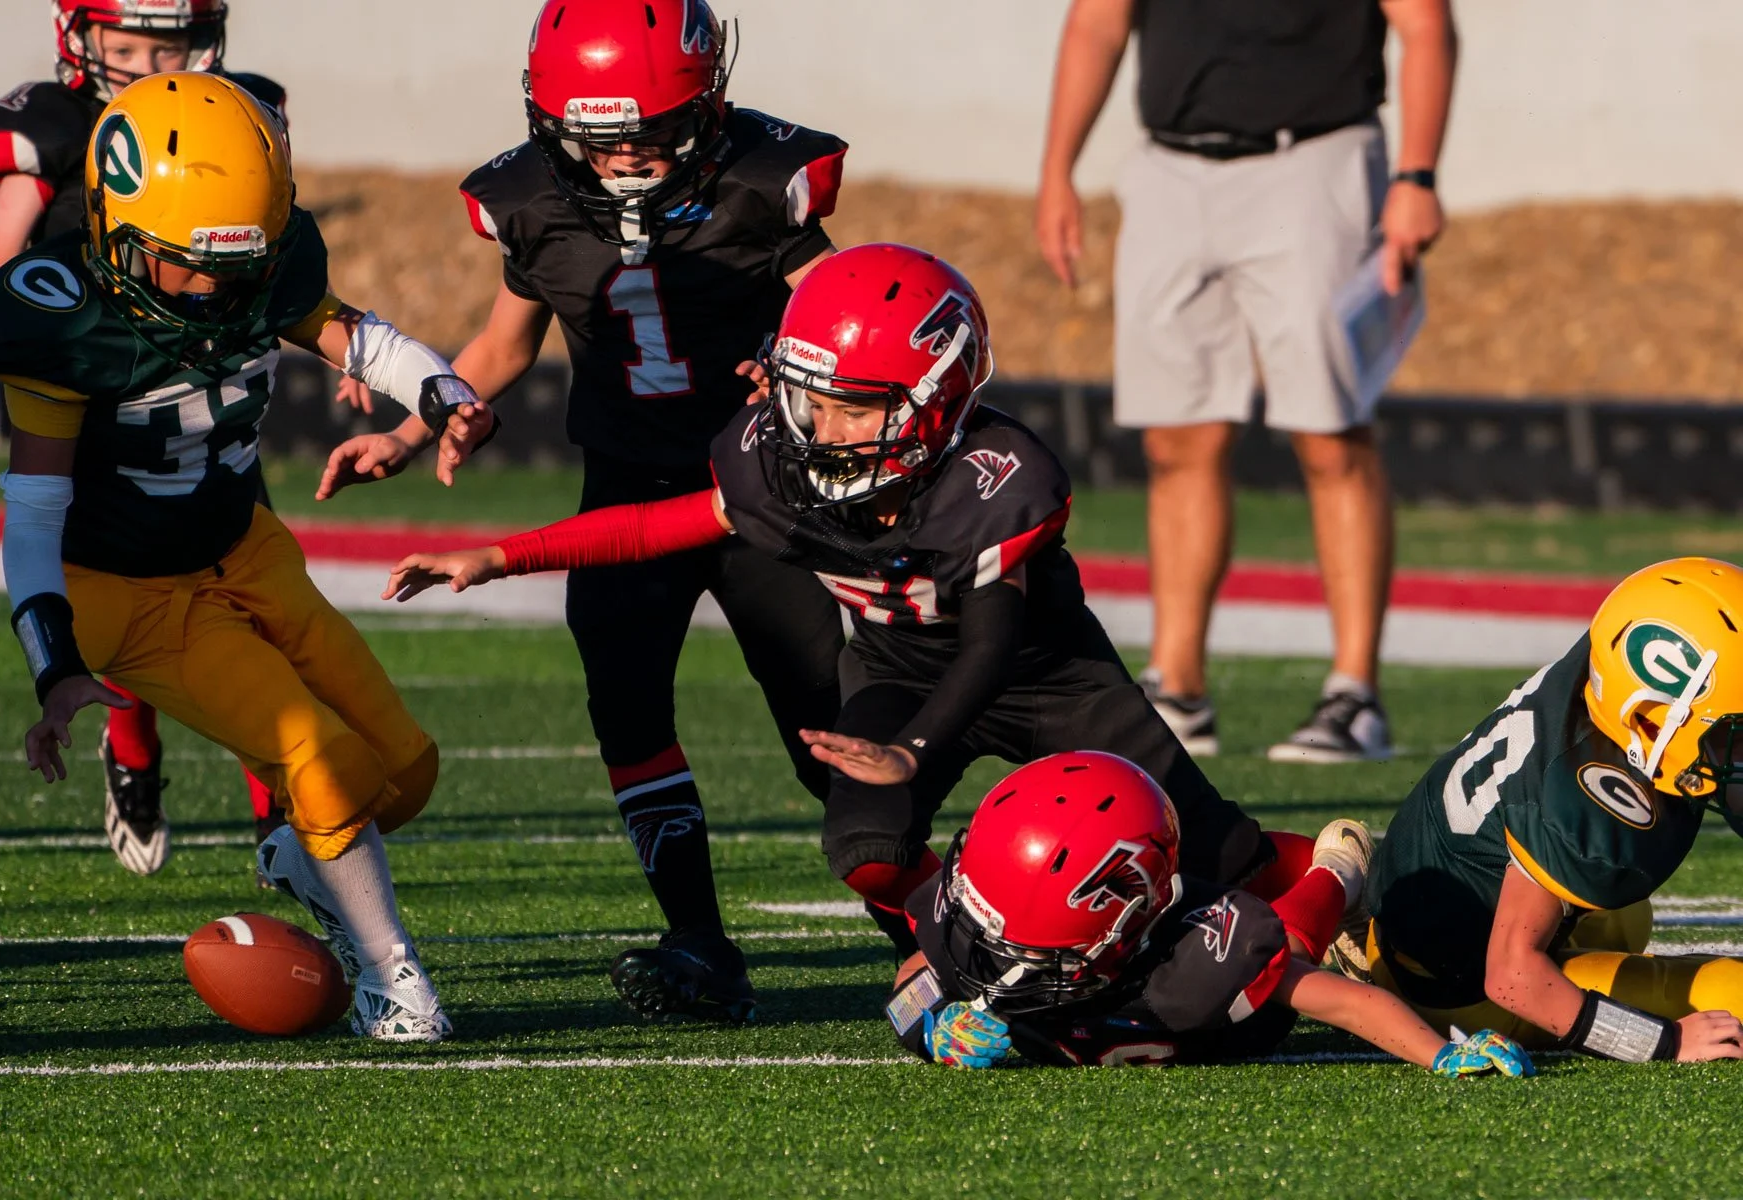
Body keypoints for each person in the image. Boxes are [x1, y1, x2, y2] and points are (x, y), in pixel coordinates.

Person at [380, 244, 1337, 979]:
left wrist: (915, 751)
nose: (822, 430)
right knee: (867, 848)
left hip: (1047, 679)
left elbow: (993, 643)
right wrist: (499, 557)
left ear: (937, 399)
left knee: (1222, 860)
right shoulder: (776, 454)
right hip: (893, 667)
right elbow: (654, 526)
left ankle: (1342, 884)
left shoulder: (998, 479)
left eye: (855, 408)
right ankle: (967, 968)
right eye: (811, 400)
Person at [318, 0, 849, 1025]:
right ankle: (698, 936)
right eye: (599, 142)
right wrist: (417, 430)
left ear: (705, 106)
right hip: (627, 485)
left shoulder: (757, 186)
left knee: (823, 716)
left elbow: (847, 317)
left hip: (766, 495)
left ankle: (922, 920)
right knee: (628, 707)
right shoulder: (533, 204)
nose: (628, 163)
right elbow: (507, 343)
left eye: (652, 136)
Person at [0, 72, 494, 1041]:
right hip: (126, 595)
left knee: (404, 771)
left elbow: (356, 338)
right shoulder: (65, 321)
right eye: (189, 266)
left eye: (239, 265)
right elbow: (34, 512)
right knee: (321, 760)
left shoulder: (254, 267)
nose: (217, 289)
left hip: (244, 546)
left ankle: (302, 860)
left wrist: (445, 394)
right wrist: (53, 666)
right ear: (117, 237)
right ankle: (395, 982)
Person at [1035, 0, 1459, 762]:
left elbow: (1425, 23)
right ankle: (1179, 689)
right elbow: (1097, 21)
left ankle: (1354, 694)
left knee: (1332, 435)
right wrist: (1057, 170)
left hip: (1316, 162)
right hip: (1170, 169)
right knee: (1176, 438)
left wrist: (1417, 174)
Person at [0, 0, 292, 879]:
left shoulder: (236, 117)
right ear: (82, 36)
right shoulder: (60, 128)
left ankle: (282, 814)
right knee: (138, 603)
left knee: (251, 609)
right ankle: (135, 755)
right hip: (103, 406)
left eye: (170, 44)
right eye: (129, 43)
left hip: (211, 398)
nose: (149, 63)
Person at [884, 751, 1532, 1077]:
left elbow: (1343, 1004)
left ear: (1125, 928)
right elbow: (913, 978)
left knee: (1290, 947)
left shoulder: (1207, 948)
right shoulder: (978, 919)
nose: (987, 963)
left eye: (1024, 949)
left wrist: (1443, 1053)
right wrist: (931, 1025)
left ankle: (1341, 867)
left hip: (1228, 1027)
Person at [1367, 557, 1743, 1063]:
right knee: (1734, 997)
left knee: (1625, 918)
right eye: (1732, 732)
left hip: (1443, 907)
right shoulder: (1582, 804)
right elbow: (1513, 979)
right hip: (1462, 986)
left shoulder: (1607, 681)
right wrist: (1665, 1042)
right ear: (1652, 723)